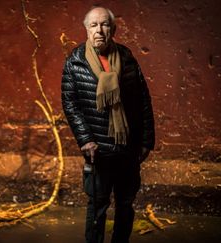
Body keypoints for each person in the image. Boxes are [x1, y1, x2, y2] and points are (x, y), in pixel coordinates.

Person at [61, 6, 155, 243]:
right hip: (98, 151)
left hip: (128, 148)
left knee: (125, 204)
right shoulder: (75, 62)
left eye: (104, 25)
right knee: (98, 205)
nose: (99, 30)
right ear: (86, 29)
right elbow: (70, 104)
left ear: (113, 29)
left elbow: (143, 99)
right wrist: (86, 140)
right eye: (93, 25)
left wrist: (146, 141)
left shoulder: (126, 57)